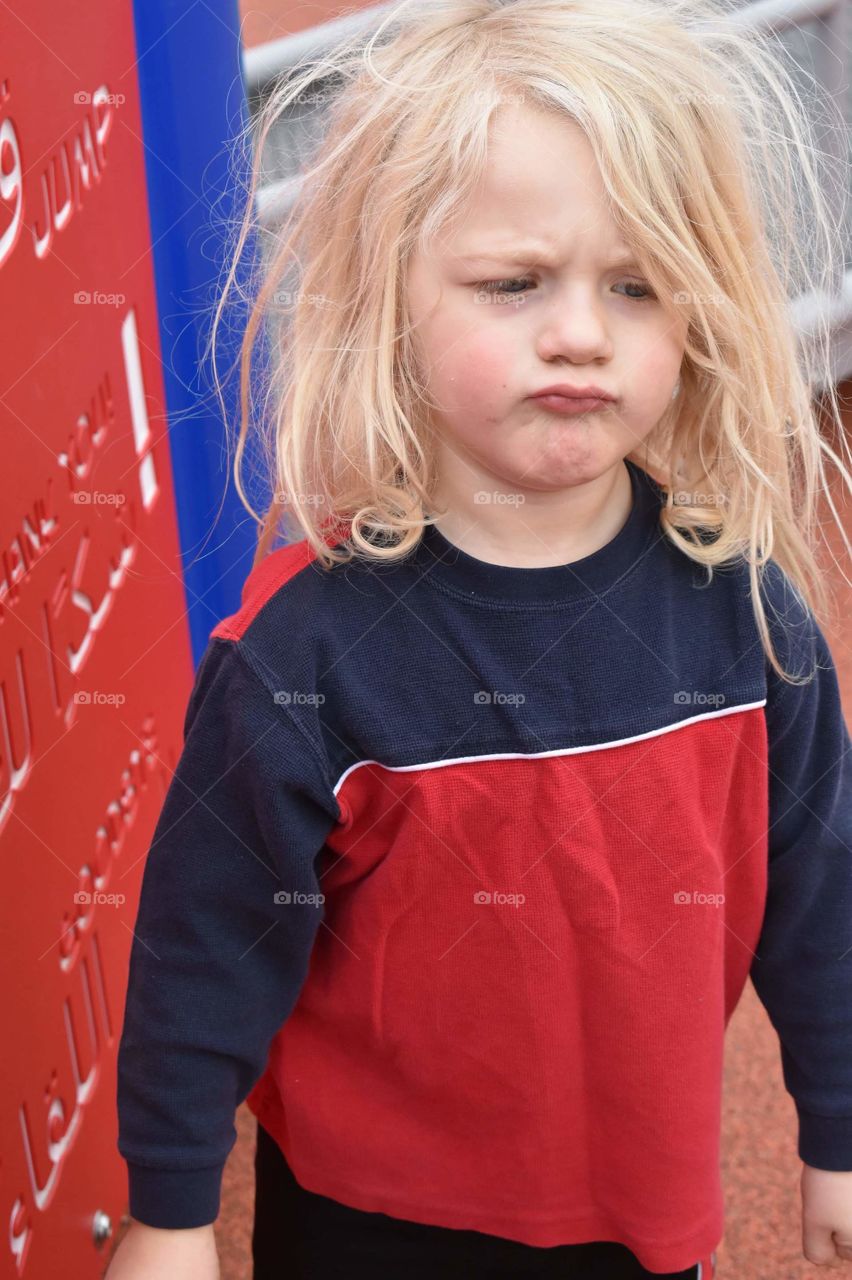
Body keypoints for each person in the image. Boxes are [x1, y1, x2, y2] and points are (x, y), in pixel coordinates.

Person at [104, 0, 852, 1276]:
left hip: (641, 1206)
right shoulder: (302, 653)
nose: (579, 329)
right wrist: (172, 1209)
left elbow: (822, 897)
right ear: (390, 300)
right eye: (514, 283)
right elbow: (207, 936)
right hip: (364, 1217)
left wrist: (838, 1127)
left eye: (636, 284)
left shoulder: (750, 617)